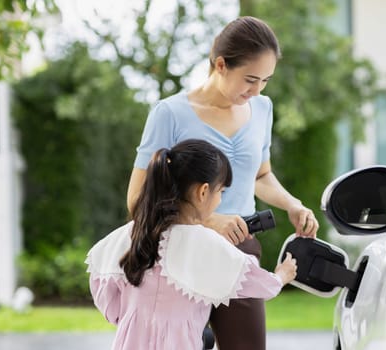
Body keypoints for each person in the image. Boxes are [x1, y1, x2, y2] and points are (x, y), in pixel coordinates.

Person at [126, 16, 319, 350]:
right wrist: (209, 220)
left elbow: (259, 176)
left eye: (265, 81)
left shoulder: (261, 108)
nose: (257, 90)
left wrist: (293, 204)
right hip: (180, 256)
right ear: (220, 64)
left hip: (240, 251)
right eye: (250, 79)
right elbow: (137, 200)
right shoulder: (169, 113)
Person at [86, 139, 297, 350]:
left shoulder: (130, 234)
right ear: (203, 192)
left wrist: (127, 319)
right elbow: (257, 283)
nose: (220, 201)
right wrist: (282, 275)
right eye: (221, 192)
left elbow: (101, 285)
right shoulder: (206, 243)